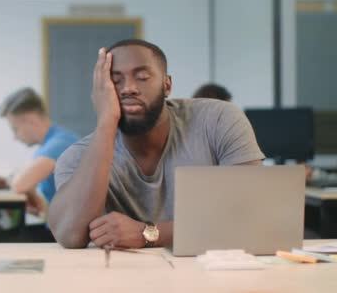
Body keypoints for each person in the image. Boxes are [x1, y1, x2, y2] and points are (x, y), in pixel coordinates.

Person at [48, 39, 264, 249]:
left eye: (142, 77)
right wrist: (106, 121)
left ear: (167, 84)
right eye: (115, 81)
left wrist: (148, 233)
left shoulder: (218, 120)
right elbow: (70, 236)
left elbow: (252, 216)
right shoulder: (77, 158)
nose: (128, 89)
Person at [0, 88, 78, 241]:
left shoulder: (59, 143)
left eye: (15, 129)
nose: (15, 137)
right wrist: (31, 194)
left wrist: (26, 188)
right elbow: (32, 192)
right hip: (60, 229)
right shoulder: (52, 143)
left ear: (31, 120)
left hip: (67, 236)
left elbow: (21, 184)